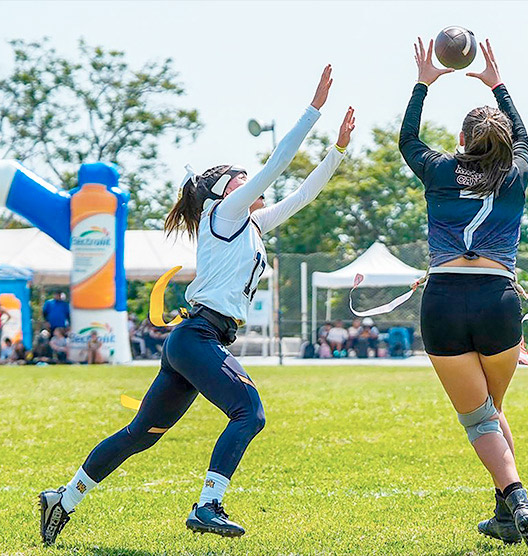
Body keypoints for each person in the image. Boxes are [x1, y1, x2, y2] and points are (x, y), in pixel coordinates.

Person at [38, 66, 354, 545]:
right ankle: (207, 505)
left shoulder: (247, 223)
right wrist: (313, 110)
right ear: (222, 190)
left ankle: (63, 497)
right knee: (250, 412)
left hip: (195, 340)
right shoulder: (222, 212)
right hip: (198, 336)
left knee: (141, 434)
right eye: (241, 179)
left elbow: (302, 194)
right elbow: (276, 166)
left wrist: (337, 151)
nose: (252, 183)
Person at [401, 39, 528, 554]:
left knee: (480, 418)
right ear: (505, 142)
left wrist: (425, 80)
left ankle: (519, 504)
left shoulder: (441, 169)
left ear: (463, 138)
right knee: (491, 410)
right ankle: (508, 517)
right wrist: (498, 83)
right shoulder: (516, 173)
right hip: (498, 301)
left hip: (445, 300)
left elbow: (407, 139)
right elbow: (525, 141)